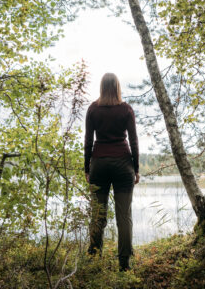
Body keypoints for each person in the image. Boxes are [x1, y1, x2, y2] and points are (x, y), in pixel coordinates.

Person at [84, 72, 140, 272]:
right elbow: (133, 141)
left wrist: (87, 168)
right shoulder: (126, 109)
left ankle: (94, 258)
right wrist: (137, 168)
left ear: (101, 87)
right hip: (123, 165)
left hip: (99, 164)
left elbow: (88, 142)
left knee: (98, 215)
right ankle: (124, 263)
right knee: (124, 216)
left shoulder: (93, 109)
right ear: (117, 87)